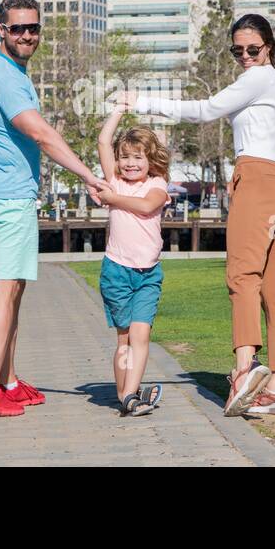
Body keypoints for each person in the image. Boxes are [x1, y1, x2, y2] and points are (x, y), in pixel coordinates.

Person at [121, 12, 275, 417]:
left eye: (252, 49)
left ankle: (244, 368)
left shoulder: (259, 76)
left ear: (268, 47)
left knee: (242, 276)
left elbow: (204, 110)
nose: (245, 57)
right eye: (237, 51)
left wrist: (143, 102)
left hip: (257, 181)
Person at [0, 0, 110, 418]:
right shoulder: (8, 79)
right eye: (17, 28)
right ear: (1, 30)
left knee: (14, 289)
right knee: (5, 288)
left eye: (33, 28)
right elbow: (42, 134)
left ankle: (8, 381)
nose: (27, 35)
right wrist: (88, 176)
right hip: (9, 196)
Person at [95, 100, 171, 417]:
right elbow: (102, 141)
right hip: (117, 272)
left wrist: (113, 199)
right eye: (124, 157)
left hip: (148, 274)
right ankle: (126, 394)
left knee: (142, 334)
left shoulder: (157, 184)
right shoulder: (114, 180)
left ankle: (129, 395)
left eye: (137, 158)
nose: (129, 164)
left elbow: (146, 207)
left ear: (150, 160)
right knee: (124, 338)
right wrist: (118, 111)